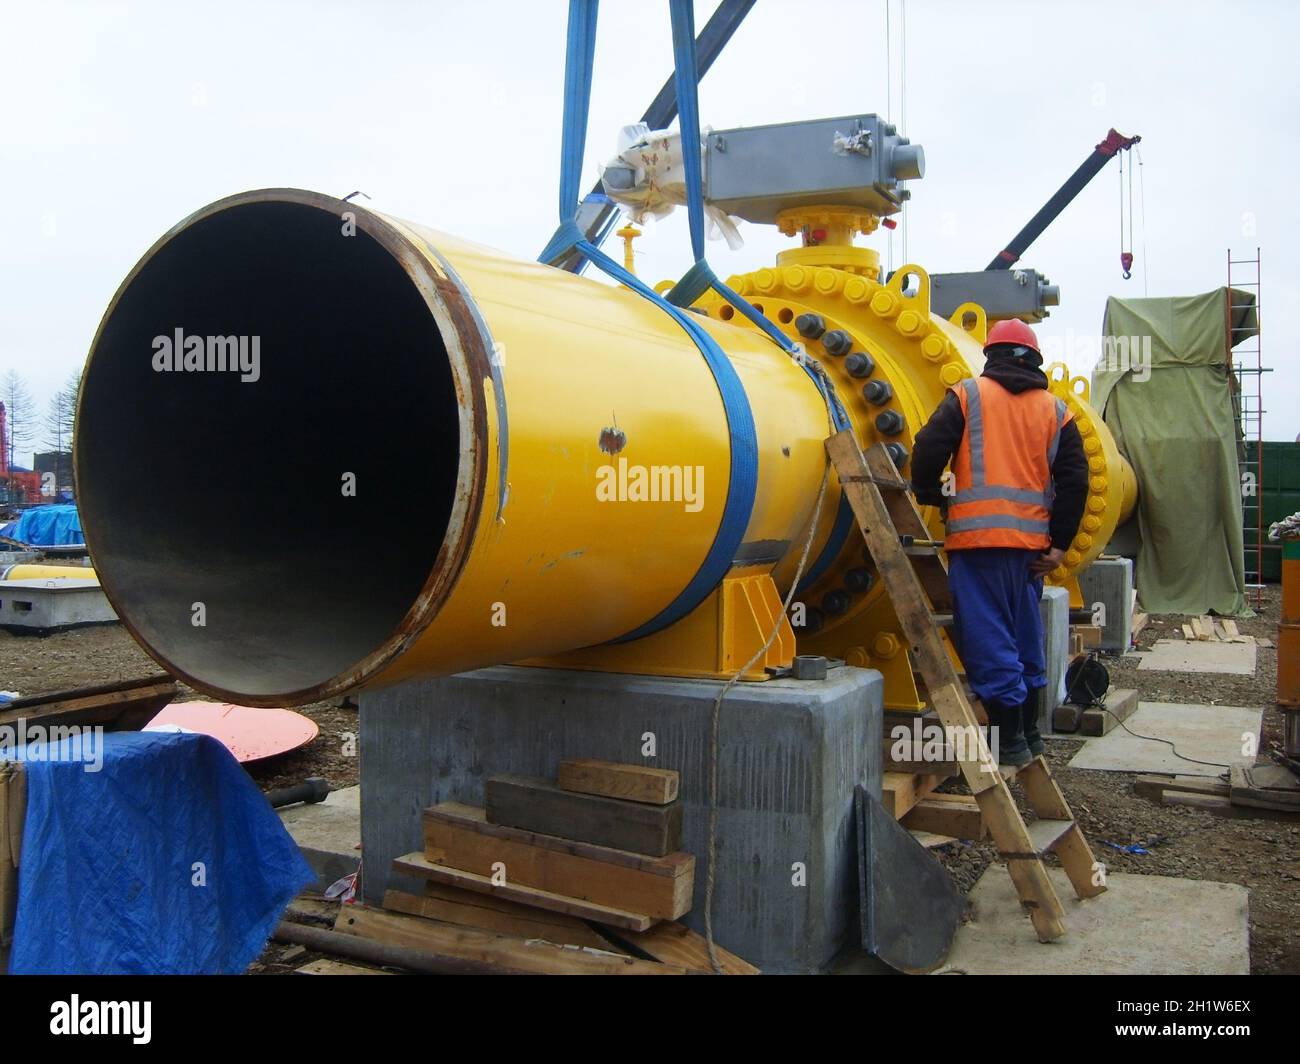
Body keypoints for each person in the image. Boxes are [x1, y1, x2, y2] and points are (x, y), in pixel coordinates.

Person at [910, 319, 1087, 766]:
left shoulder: (968, 396)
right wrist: (1060, 544)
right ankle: (1029, 732)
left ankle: (1008, 739)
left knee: (988, 636)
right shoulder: (1056, 410)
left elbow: (929, 446)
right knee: (1024, 632)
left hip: (978, 543)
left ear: (991, 356)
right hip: (1031, 551)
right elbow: (1075, 481)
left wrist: (928, 491)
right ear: (1036, 360)